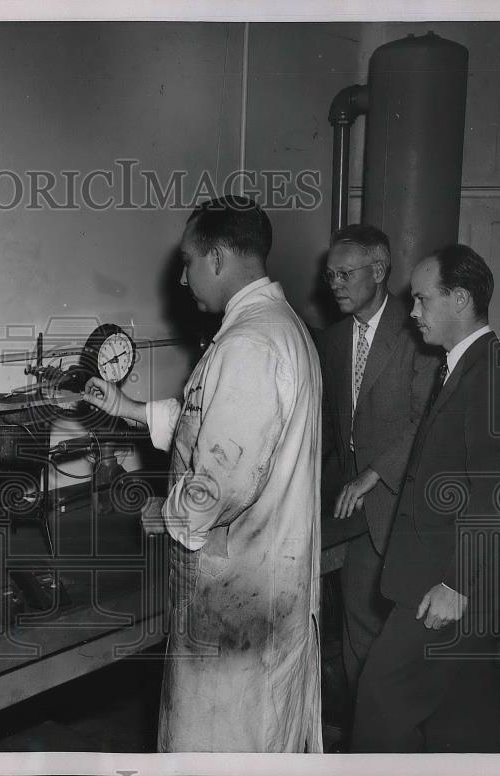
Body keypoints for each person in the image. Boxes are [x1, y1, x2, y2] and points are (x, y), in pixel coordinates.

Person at [83, 195, 323, 752]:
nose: (184, 277)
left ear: (218, 259)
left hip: (239, 598)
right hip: (263, 589)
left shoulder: (250, 345)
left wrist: (165, 513)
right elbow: (209, 420)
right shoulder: (276, 328)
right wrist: (127, 408)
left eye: (189, 261)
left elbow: (223, 478)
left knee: (220, 745)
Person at [352, 244, 500, 752]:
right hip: (443, 581)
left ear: (460, 299)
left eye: (422, 300)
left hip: (447, 584)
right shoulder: (460, 367)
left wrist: (456, 583)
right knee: (462, 720)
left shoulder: (494, 374)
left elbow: (496, 495)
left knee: (380, 702)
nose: (412, 313)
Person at [318, 225, 440, 722]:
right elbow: (328, 427)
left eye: (346, 274)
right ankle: (360, 734)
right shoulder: (329, 340)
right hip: (339, 510)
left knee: (379, 636)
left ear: (380, 270)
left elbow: (423, 420)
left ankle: (382, 739)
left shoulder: (419, 334)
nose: (336, 284)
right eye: (330, 276)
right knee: (349, 630)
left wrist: (372, 474)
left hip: (391, 507)